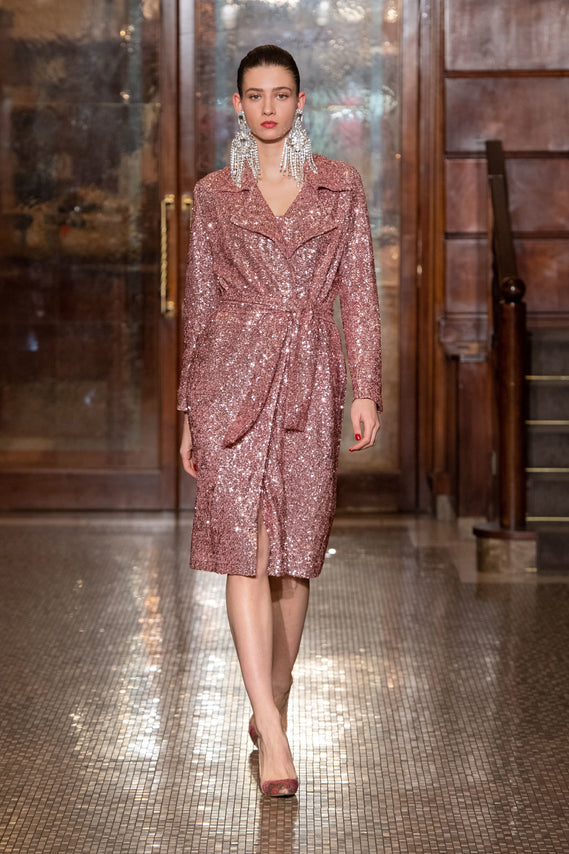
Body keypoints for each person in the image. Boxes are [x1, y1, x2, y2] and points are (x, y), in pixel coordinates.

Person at [178, 45, 382, 797]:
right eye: (255, 95)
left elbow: (359, 292)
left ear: (301, 102)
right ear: (237, 104)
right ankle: (270, 725)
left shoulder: (339, 185)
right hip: (228, 382)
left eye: (282, 94)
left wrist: (366, 388)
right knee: (247, 551)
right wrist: (188, 409)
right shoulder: (214, 194)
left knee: (295, 557)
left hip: (308, 377)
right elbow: (199, 303)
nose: (268, 107)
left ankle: (278, 693)